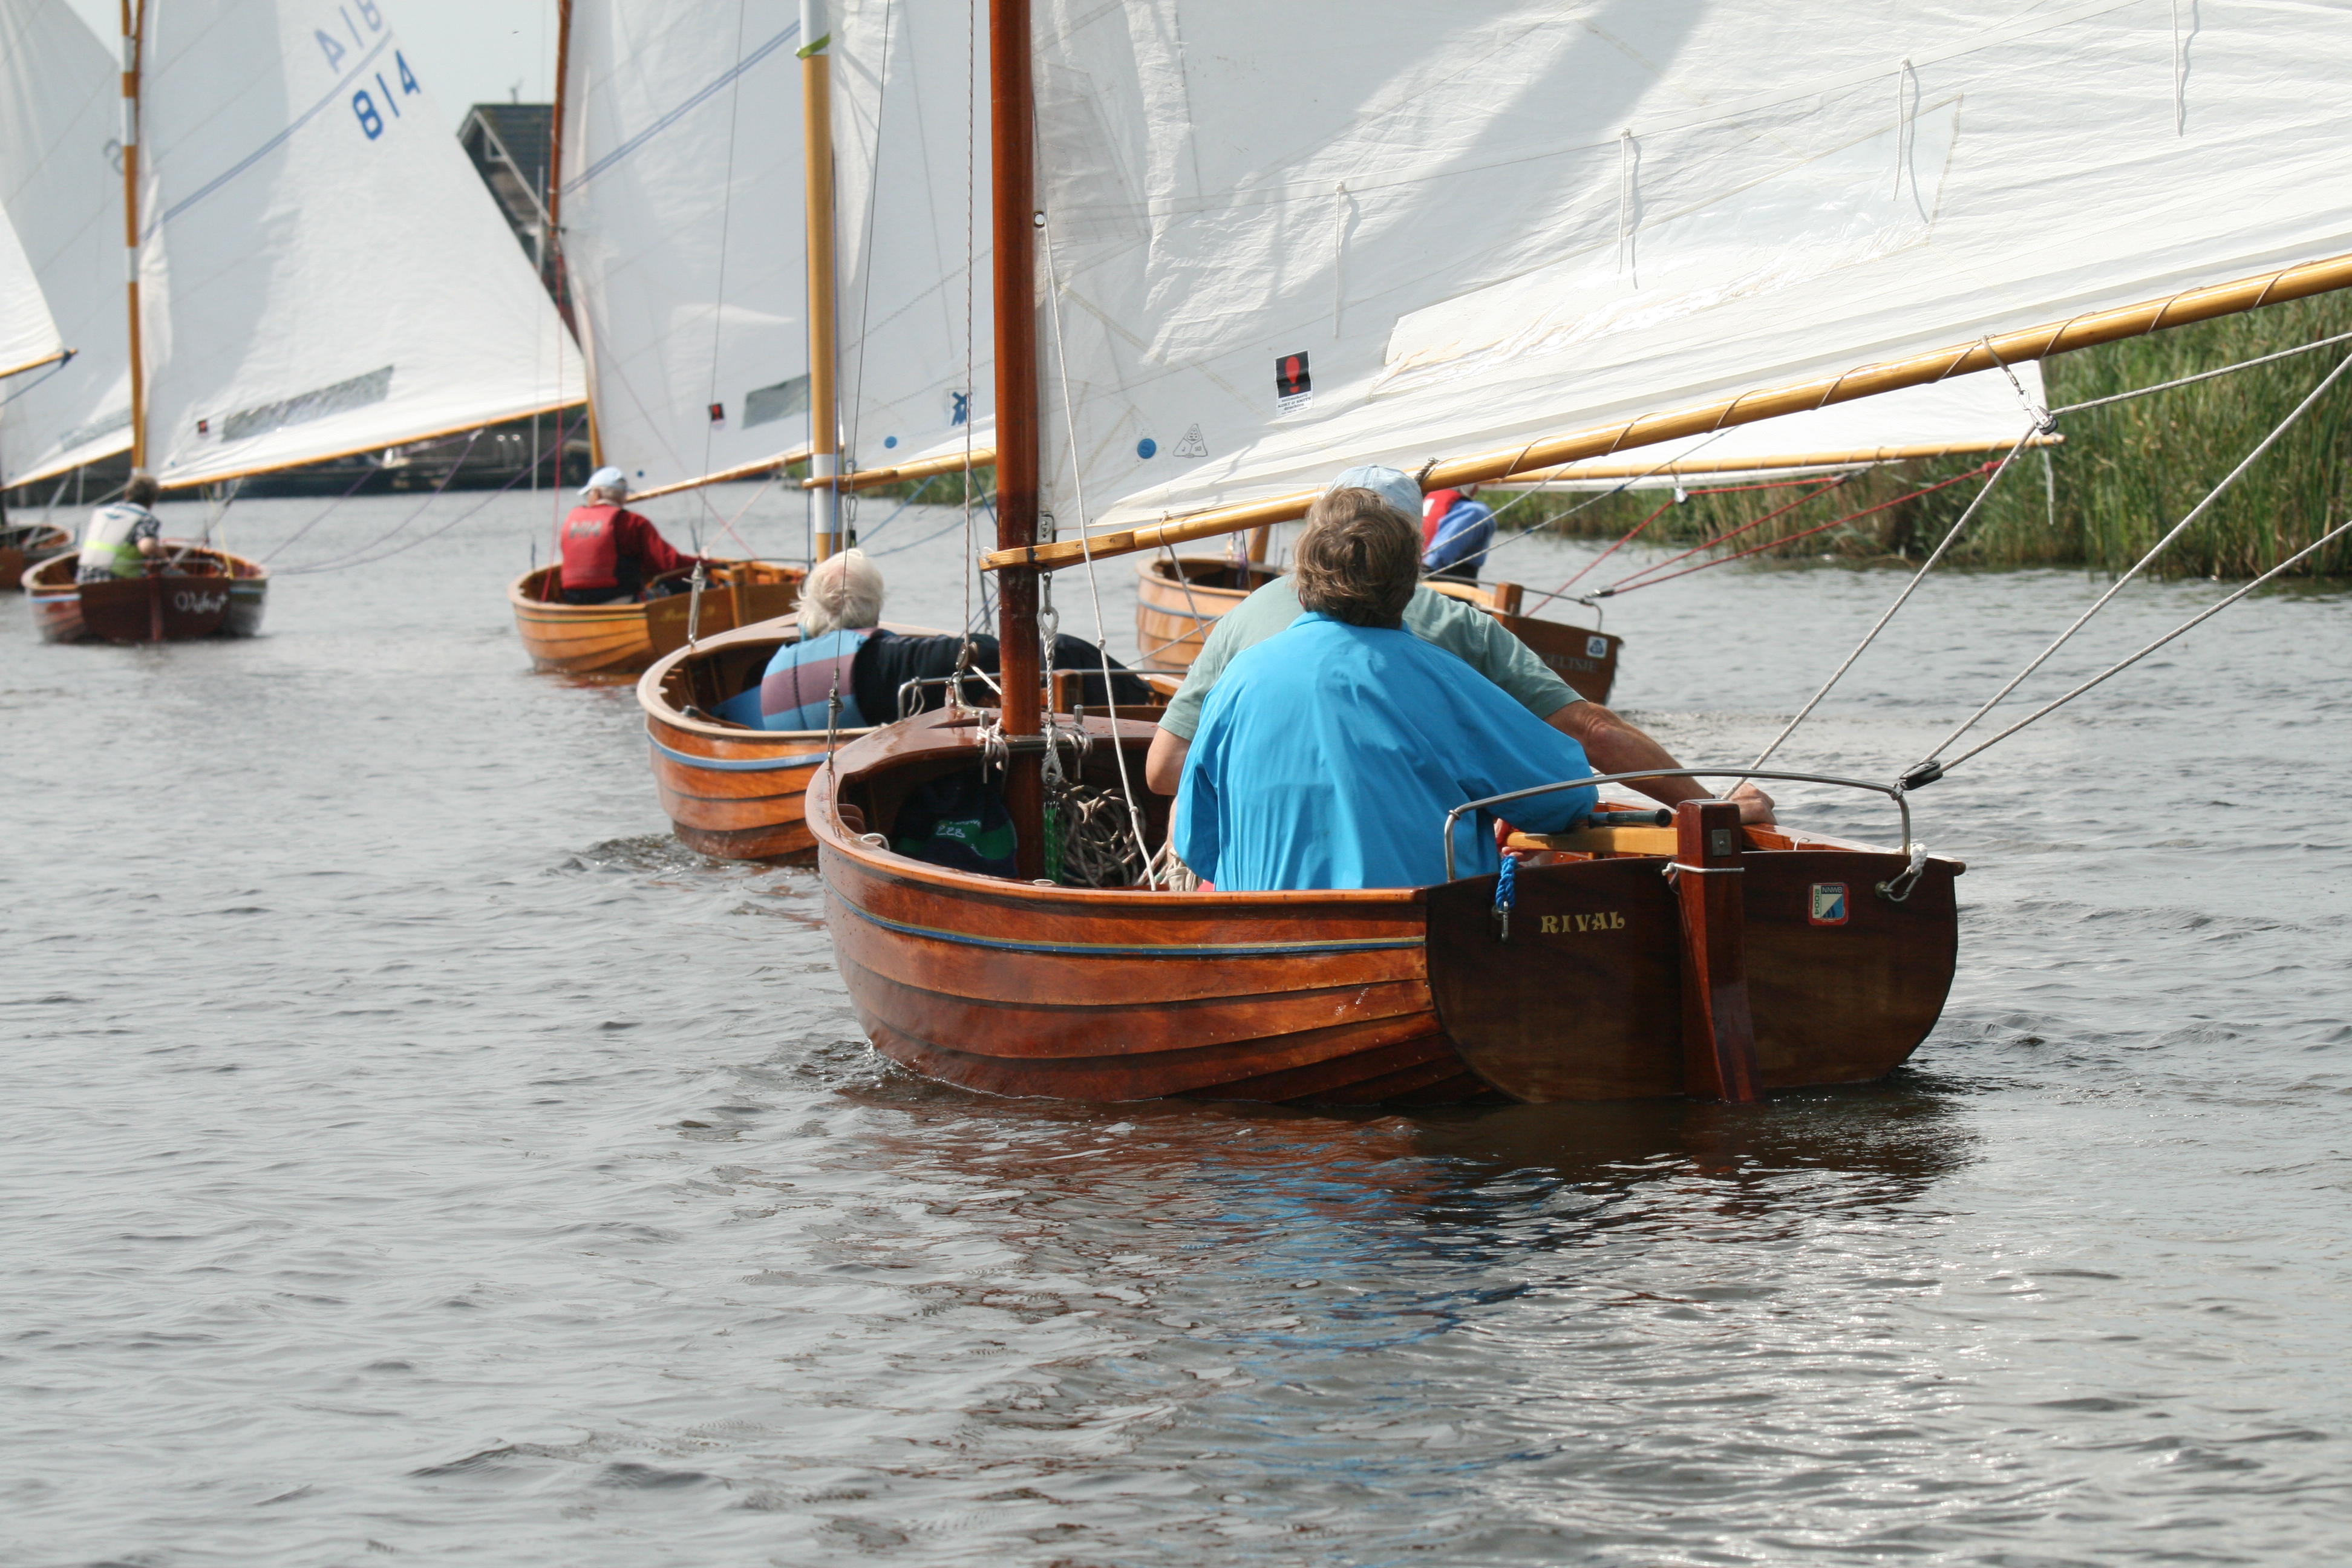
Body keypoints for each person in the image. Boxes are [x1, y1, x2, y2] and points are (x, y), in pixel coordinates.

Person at [1145, 465, 1772, 825]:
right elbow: (1586, 749)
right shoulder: (1449, 639)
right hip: (1412, 885)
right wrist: (1713, 809)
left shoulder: (1246, 634)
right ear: (1412, 550)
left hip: (1247, 886)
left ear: (1314, 538)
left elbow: (1165, 770)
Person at [1171, 485, 1599, 891]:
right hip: (1408, 932)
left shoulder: (1238, 679)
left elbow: (1195, 842)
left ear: (1300, 589)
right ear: (1408, 590)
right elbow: (1566, 799)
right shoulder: (1447, 682)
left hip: (1259, 932)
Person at [713, 548, 1154, 731]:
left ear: (810, 608)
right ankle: (1142, 697)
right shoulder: (888, 660)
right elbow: (984, 653)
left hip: (796, 754)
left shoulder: (777, 668)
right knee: (1058, 651)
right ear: (874, 606)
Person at [555, 466, 697, 604]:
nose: (588, 499)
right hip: (617, 599)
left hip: (573, 600)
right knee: (694, 585)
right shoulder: (633, 522)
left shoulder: (572, 520)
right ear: (623, 496)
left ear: (597, 494)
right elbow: (669, 564)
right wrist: (703, 564)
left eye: (588, 495)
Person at [77, 474, 165, 583]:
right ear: (153, 501)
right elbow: (147, 547)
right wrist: (161, 552)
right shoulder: (145, 519)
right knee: (173, 575)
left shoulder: (103, 513)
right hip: (114, 582)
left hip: (84, 579)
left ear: (126, 494)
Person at [1420, 481, 1494, 581]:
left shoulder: (1419, 505)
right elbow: (1438, 558)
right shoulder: (1474, 512)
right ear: (1474, 489)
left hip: (1420, 578)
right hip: (1438, 581)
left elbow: (1436, 560)